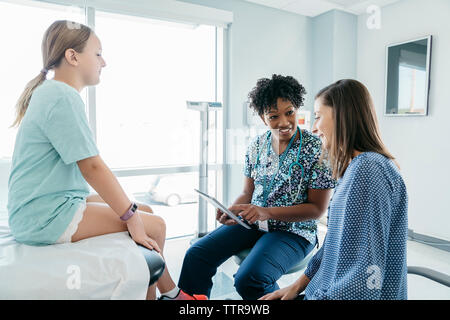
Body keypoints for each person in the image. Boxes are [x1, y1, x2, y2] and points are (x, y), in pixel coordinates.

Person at [7, 20, 206, 300]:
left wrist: (133, 212)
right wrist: (131, 219)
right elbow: (91, 166)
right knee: (155, 224)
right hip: (43, 215)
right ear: (72, 56)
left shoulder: (52, 92)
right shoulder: (61, 95)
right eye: (98, 53)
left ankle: (171, 294)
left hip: (48, 203)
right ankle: (171, 295)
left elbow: (89, 165)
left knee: (145, 208)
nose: (105, 62)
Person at [178, 74, 336, 300]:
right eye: (274, 116)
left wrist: (267, 212)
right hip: (254, 223)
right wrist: (233, 210)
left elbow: (317, 209)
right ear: (263, 118)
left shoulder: (316, 149)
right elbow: (247, 193)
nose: (283, 122)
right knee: (196, 255)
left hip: (295, 232)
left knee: (249, 278)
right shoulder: (256, 146)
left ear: (296, 108)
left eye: (289, 112)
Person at [260, 79, 408, 300]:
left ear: (341, 116)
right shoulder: (355, 169)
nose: (314, 127)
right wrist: (295, 288)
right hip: (323, 291)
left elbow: (364, 276)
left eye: (318, 116)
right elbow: (334, 245)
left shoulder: (368, 169)